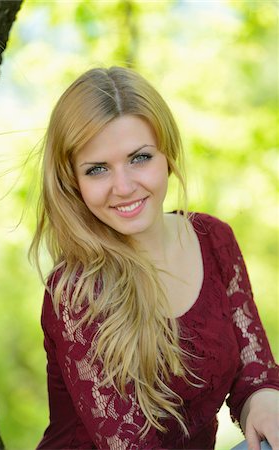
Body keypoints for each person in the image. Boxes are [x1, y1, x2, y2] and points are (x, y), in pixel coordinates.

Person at [31, 66, 279, 450]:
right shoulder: (76, 291)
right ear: (72, 181)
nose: (124, 186)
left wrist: (264, 404)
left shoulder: (214, 240)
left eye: (139, 158)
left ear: (167, 154)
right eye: (97, 169)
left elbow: (254, 371)